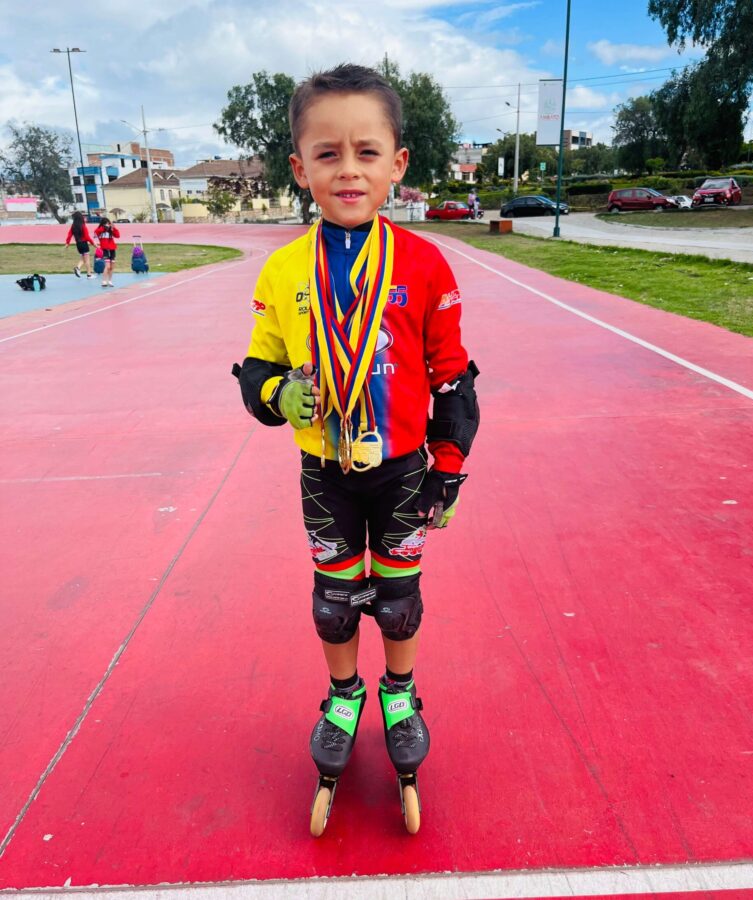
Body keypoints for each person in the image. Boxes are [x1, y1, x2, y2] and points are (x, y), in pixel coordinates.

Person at [233, 63, 479, 835]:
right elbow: (257, 369)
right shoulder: (282, 270)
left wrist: (449, 466)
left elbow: (453, 378)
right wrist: (279, 395)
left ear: (397, 164)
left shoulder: (425, 264)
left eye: (367, 152)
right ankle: (344, 698)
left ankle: (400, 696)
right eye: (328, 154)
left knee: (399, 602)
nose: (349, 170)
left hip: (403, 470)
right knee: (336, 606)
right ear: (298, 166)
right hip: (326, 473)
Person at [64, 211, 95, 278]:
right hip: (84, 244)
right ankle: (89, 275)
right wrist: (93, 244)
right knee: (87, 260)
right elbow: (87, 237)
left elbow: (69, 235)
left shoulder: (73, 226)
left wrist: (67, 243)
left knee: (83, 259)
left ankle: (78, 268)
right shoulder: (83, 226)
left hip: (78, 244)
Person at [94, 216, 120, 287]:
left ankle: (110, 281)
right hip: (105, 250)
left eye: (108, 223)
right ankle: (104, 281)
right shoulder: (100, 231)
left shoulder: (111, 230)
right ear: (103, 224)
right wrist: (104, 228)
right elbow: (96, 232)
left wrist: (113, 228)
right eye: (106, 224)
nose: (108, 225)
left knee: (112, 267)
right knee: (107, 266)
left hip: (112, 250)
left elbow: (118, 235)